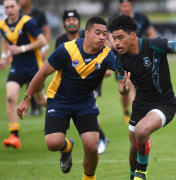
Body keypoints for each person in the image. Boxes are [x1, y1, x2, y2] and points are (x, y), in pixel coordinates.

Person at [108, 15, 176, 180]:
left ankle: (142, 171)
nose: (116, 42)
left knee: (141, 132)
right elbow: (122, 88)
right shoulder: (121, 60)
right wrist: (125, 88)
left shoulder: (155, 45)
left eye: (120, 37)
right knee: (133, 148)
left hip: (165, 103)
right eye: (114, 38)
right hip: (140, 105)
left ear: (133, 35)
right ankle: (133, 176)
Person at [17, 16, 117, 180]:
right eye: (97, 33)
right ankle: (67, 147)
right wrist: (26, 98)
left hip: (85, 102)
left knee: (92, 147)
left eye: (105, 34)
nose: (102, 37)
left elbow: (121, 72)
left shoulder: (107, 55)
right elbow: (42, 73)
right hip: (59, 100)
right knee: (53, 143)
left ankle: (88, 178)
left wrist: (124, 84)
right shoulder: (67, 49)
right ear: (86, 33)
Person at [55, 9, 109, 155]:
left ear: (79, 23)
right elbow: (58, 66)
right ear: (64, 23)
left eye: (74, 20)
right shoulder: (61, 41)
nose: (71, 22)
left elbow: (106, 61)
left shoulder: (90, 37)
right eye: (68, 20)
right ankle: (100, 138)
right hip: (68, 86)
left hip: (90, 83)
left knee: (88, 111)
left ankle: (101, 139)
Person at [0, 0, 47, 149]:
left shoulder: (27, 22)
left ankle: (64, 108)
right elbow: (6, 40)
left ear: (18, 7)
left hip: (34, 67)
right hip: (17, 67)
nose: (10, 10)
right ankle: (14, 135)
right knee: (10, 96)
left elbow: (42, 41)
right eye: (7, 7)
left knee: (40, 100)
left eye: (12, 6)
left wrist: (21, 49)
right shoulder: (3, 24)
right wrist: (3, 57)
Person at [109, 0, 156, 124]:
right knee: (125, 87)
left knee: (135, 86)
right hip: (122, 58)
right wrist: (121, 45)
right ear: (120, 6)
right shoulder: (114, 19)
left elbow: (151, 33)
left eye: (128, 5)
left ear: (131, 6)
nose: (125, 8)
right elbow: (111, 40)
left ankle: (138, 115)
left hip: (139, 57)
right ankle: (126, 110)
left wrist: (151, 47)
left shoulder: (141, 17)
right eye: (123, 5)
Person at [19, 0, 51, 116]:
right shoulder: (16, 14)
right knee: (28, 80)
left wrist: (44, 49)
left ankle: (37, 106)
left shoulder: (38, 14)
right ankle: (34, 106)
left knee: (35, 78)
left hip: (36, 53)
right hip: (23, 55)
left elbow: (46, 32)